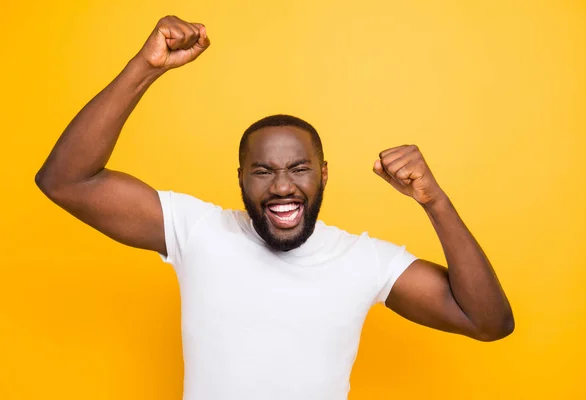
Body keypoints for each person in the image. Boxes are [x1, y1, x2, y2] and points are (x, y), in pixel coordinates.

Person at [35, 15, 514, 400]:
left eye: (299, 169)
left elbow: (488, 322)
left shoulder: (363, 260)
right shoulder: (199, 230)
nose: (283, 187)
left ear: (323, 174)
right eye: (263, 171)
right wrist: (146, 66)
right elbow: (66, 180)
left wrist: (435, 202)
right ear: (240, 178)